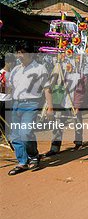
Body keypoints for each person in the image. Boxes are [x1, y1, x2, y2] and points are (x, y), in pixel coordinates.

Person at [6, 46, 54, 175]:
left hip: (31, 104)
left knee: (26, 133)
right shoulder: (15, 70)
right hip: (15, 104)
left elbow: (47, 88)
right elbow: (10, 88)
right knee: (15, 135)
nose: (20, 55)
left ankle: (33, 155)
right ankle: (22, 162)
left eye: (23, 53)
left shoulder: (39, 68)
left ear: (31, 55)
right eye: (18, 53)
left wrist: (50, 107)